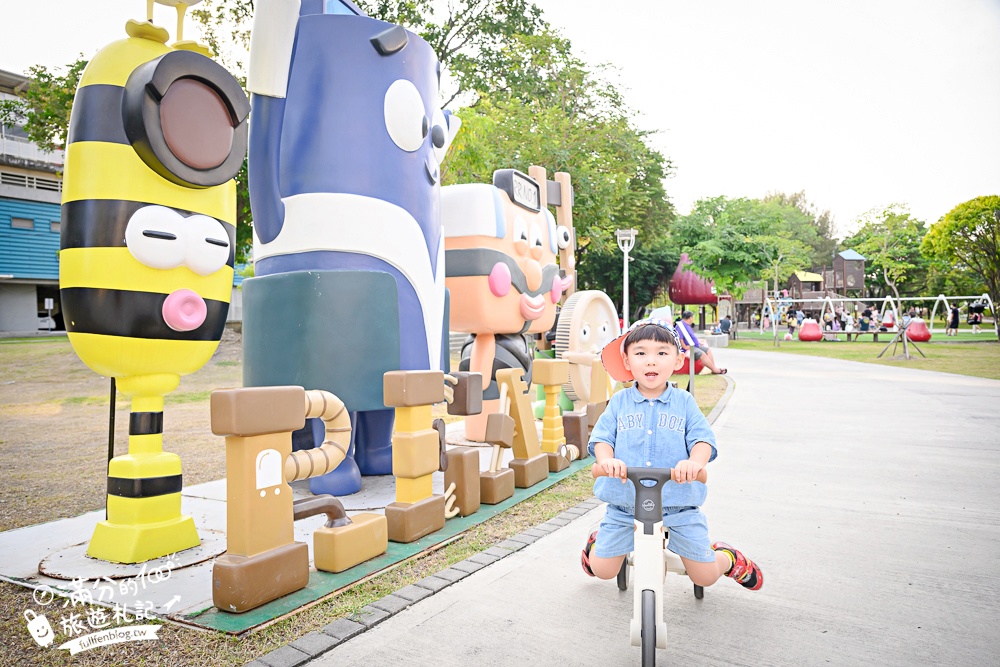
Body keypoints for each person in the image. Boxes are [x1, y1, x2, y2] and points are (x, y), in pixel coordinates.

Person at [580, 319, 763, 591]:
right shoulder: (619, 402)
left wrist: (694, 463)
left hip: (678, 506)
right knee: (602, 570)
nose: (651, 361)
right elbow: (602, 439)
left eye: (662, 353)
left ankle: (728, 558)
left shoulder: (684, 403)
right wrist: (606, 461)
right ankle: (597, 544)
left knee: (704, 576)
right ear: (627, 361)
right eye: (641, 353)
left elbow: (702, 440)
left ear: (678, 361)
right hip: (625, 506)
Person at [675, 310, 727, 374]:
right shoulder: (680, 325)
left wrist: (698, 341)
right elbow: (680, 339)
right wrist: (685, 347)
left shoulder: (687, 325)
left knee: (708, 350)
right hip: (688, 348)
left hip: (694, 345)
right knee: (702, 354)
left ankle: (713, 368)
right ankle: (715, 370)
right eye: (692, 317)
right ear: (690, 317)